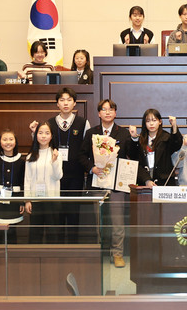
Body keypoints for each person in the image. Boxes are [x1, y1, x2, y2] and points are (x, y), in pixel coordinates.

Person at [78, 99, 142, 268]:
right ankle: (100, 252)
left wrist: (134, 139)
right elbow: (81, 156)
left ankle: (117, 253)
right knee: (99, 221)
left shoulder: (124, 133)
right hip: (97, 182)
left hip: (116, 185)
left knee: (117, 221)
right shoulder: (91, 133)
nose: (107, 112)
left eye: (111, 109)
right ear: (99, 113)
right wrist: (91, 168)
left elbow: (134, 155)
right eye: (104, 109)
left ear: (115, 113)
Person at [29, 87, 91, 243]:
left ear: (75, 103)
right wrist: (33, 133)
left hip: (75, 176)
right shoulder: (50, 123)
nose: (65, 103)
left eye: (69, 100)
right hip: (54, 176)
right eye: (62, 100)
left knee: (73, 213)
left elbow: (87, 150)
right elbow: (41, 143)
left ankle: (73, 247)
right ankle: (58, 247)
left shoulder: (83, 123)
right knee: (56, 213)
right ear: (57, 103)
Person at [24, 122, 62, 244]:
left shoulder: (56, 154)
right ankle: (34, 255)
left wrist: (54, 161)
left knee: (53, 234)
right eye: (40, 133)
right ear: (36, 135)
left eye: (47, 133)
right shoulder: (30, 156)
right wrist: (27, 200)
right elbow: (27, 180)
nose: (43, 136)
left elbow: (58, 176)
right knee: (35, 234)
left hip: (52, 200)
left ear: (51, 136)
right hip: (36, 200)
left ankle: (52, 255)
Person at [130, 109, 182, 186]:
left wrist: (174, 126)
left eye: (154, 120)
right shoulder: (140, 139)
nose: (151, 124)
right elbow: (135, 160)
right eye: (148, 121)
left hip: (164, 182)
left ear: (160, 122)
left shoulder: (166, 137)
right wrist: (146, 180)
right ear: (144, 123)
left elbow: (177, 144)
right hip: (145, 182)